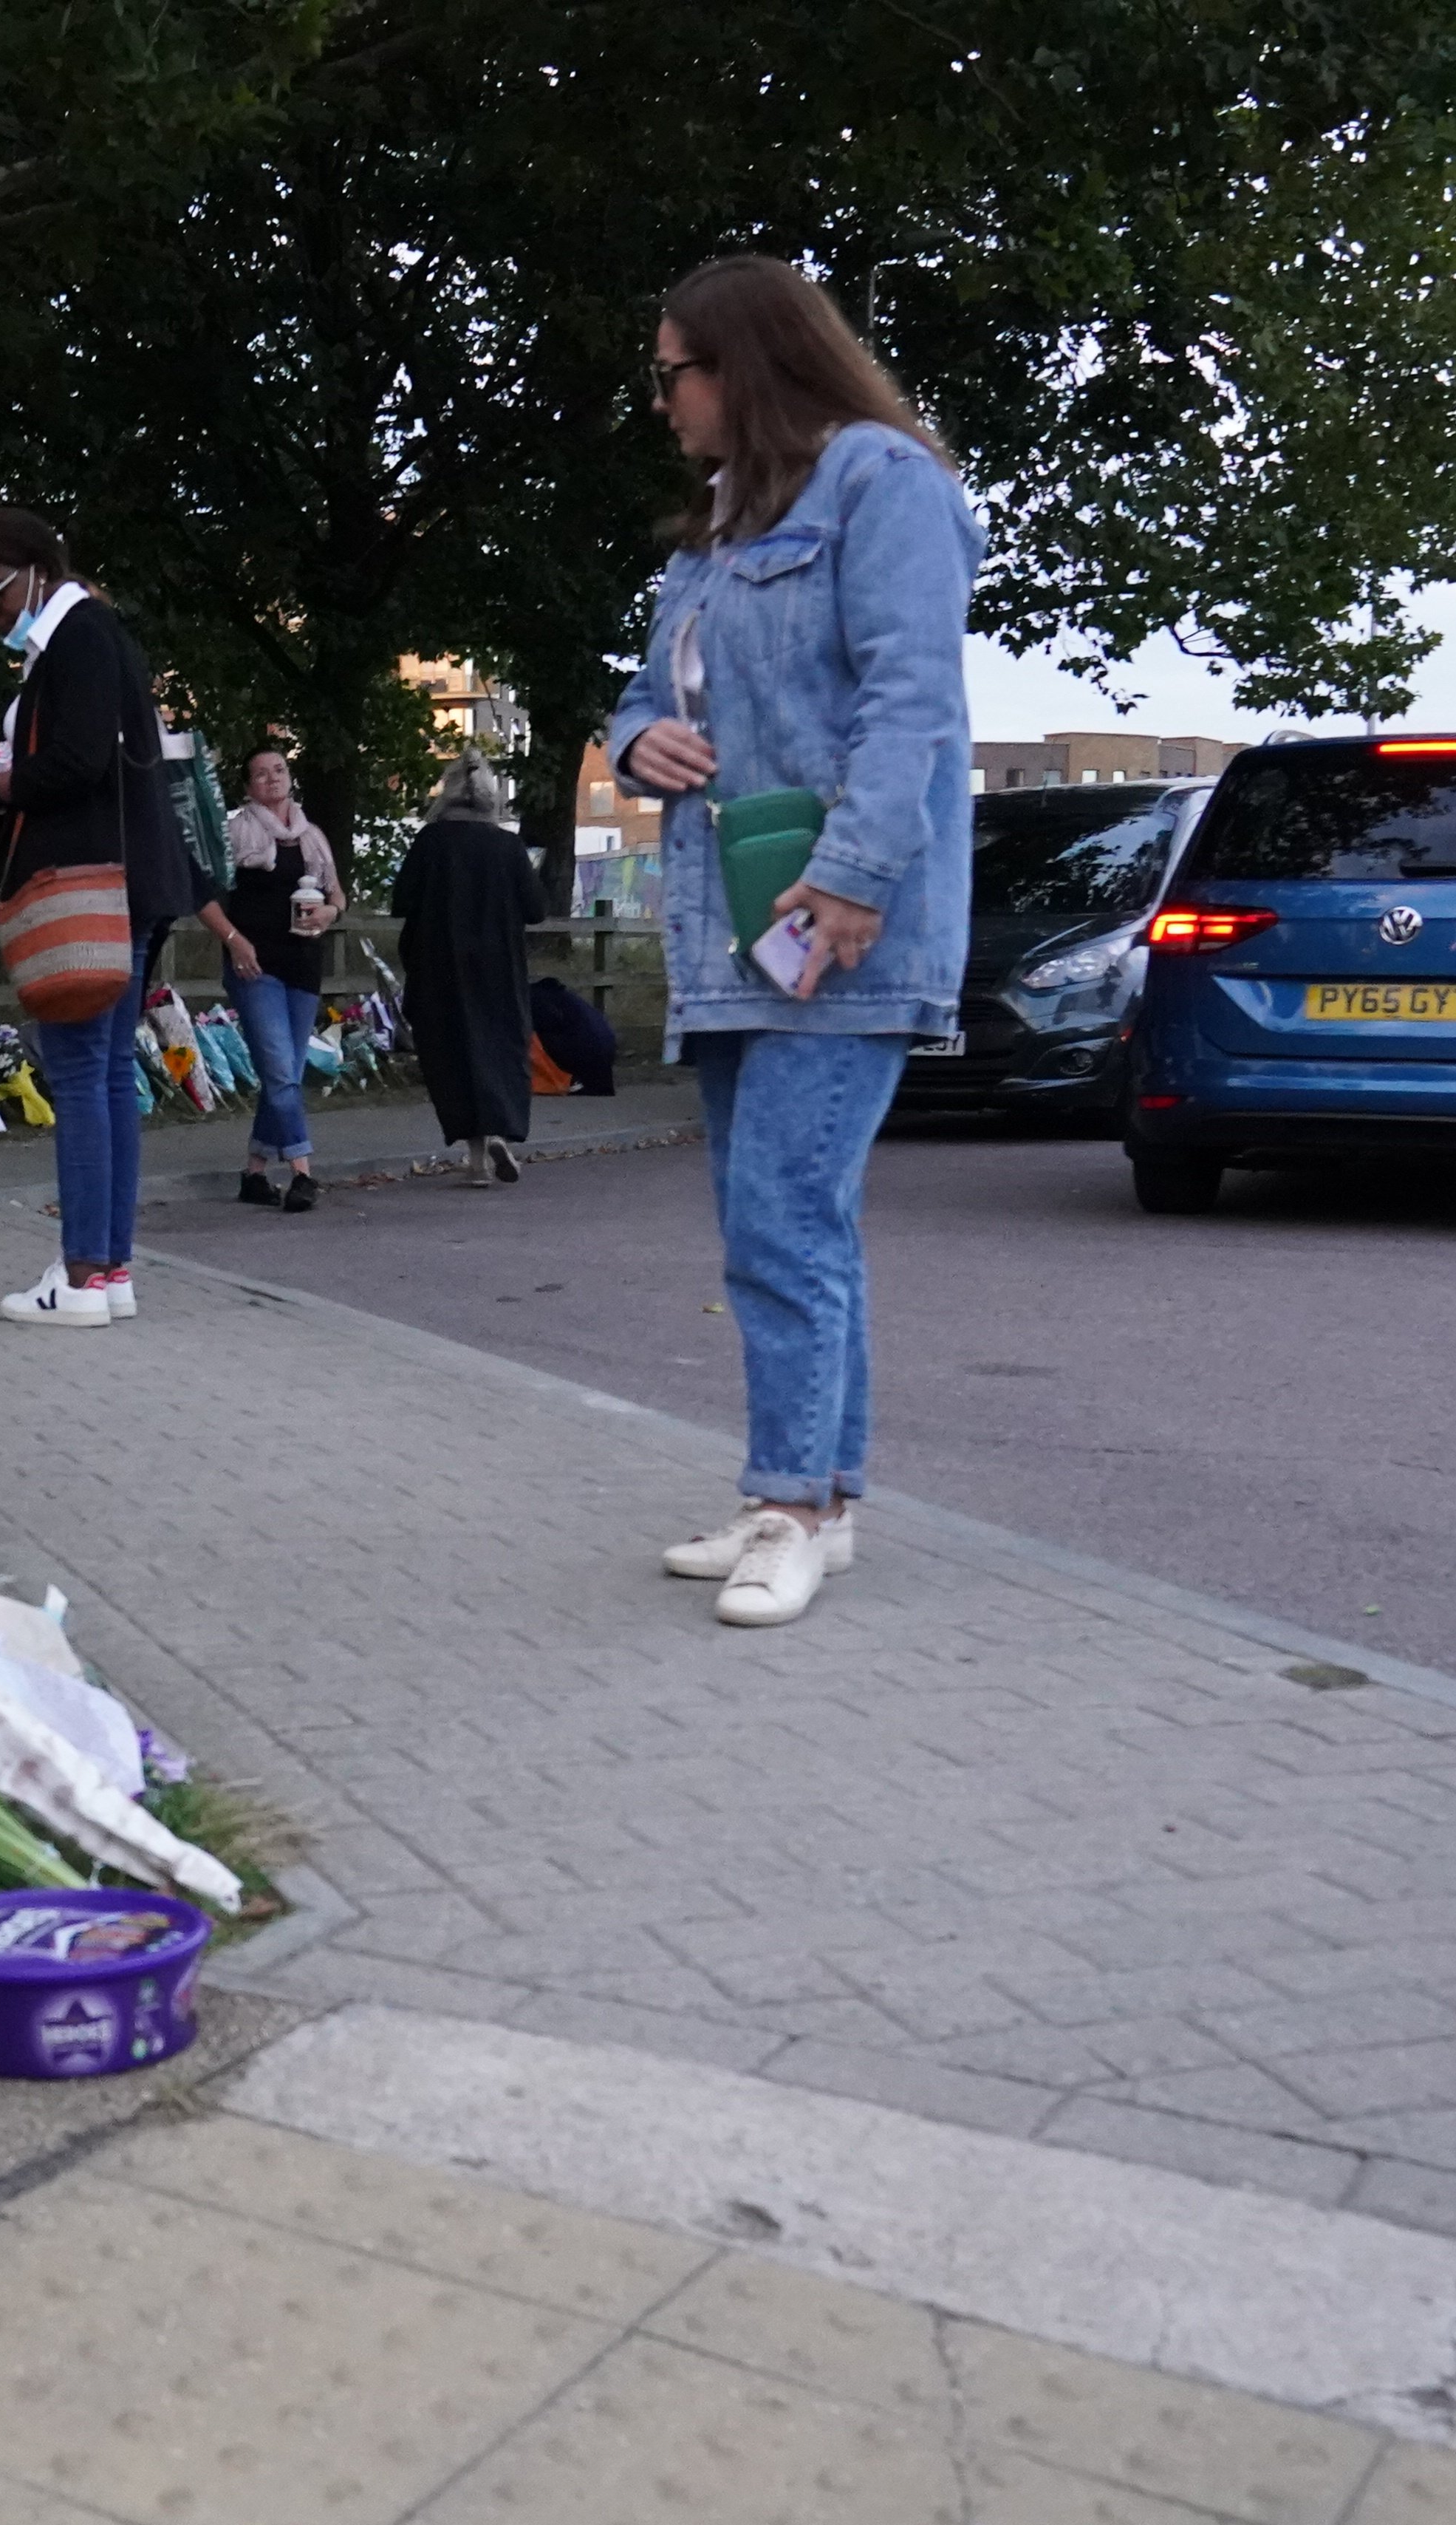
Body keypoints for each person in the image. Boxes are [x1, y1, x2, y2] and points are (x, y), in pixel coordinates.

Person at [606, 254, 979, 1629]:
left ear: (743, 368)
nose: (662, 401)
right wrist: (631, 739)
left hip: (836, 922)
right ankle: (821, 1490)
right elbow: (645, 695)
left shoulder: (886, 485)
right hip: (730, 931)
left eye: (672, 373)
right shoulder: (716, 527)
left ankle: (794, 1510)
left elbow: (913, 701)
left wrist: (857, 873)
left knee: (781, 1215)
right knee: (790, 1218)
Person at [0, 508, 196, 1326]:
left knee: (83, 1072)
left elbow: (78, 762)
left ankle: (82, 1274)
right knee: (111, 1074)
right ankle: (110, 1270)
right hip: (137, 878)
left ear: (37, 570)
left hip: (92, 883)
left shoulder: (77, 637)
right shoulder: (102, 635)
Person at [192, 747, 344, 1209]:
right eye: (261, 774)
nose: (272, 779)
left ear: (290, 778)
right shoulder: (235, 833)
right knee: (280, 1071)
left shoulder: (312, 836)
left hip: (303, 965)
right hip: (254, 966)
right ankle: (303, 1174)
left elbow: (337, 891)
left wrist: (330, 912)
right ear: (248, 787)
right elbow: (203, 898)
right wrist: (235, 941)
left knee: (287, 1075)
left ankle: (254, 1176)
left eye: (279, 770)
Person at [392, 753, 544, 1185]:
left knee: (452, 1055)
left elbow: (402, 902)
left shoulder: (430, 843)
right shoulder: (507, 847)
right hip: (499, 968)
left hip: (439, 968)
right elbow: (536, 910)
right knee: (499, 1049)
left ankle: (475, 1160)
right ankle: (498, 1133)